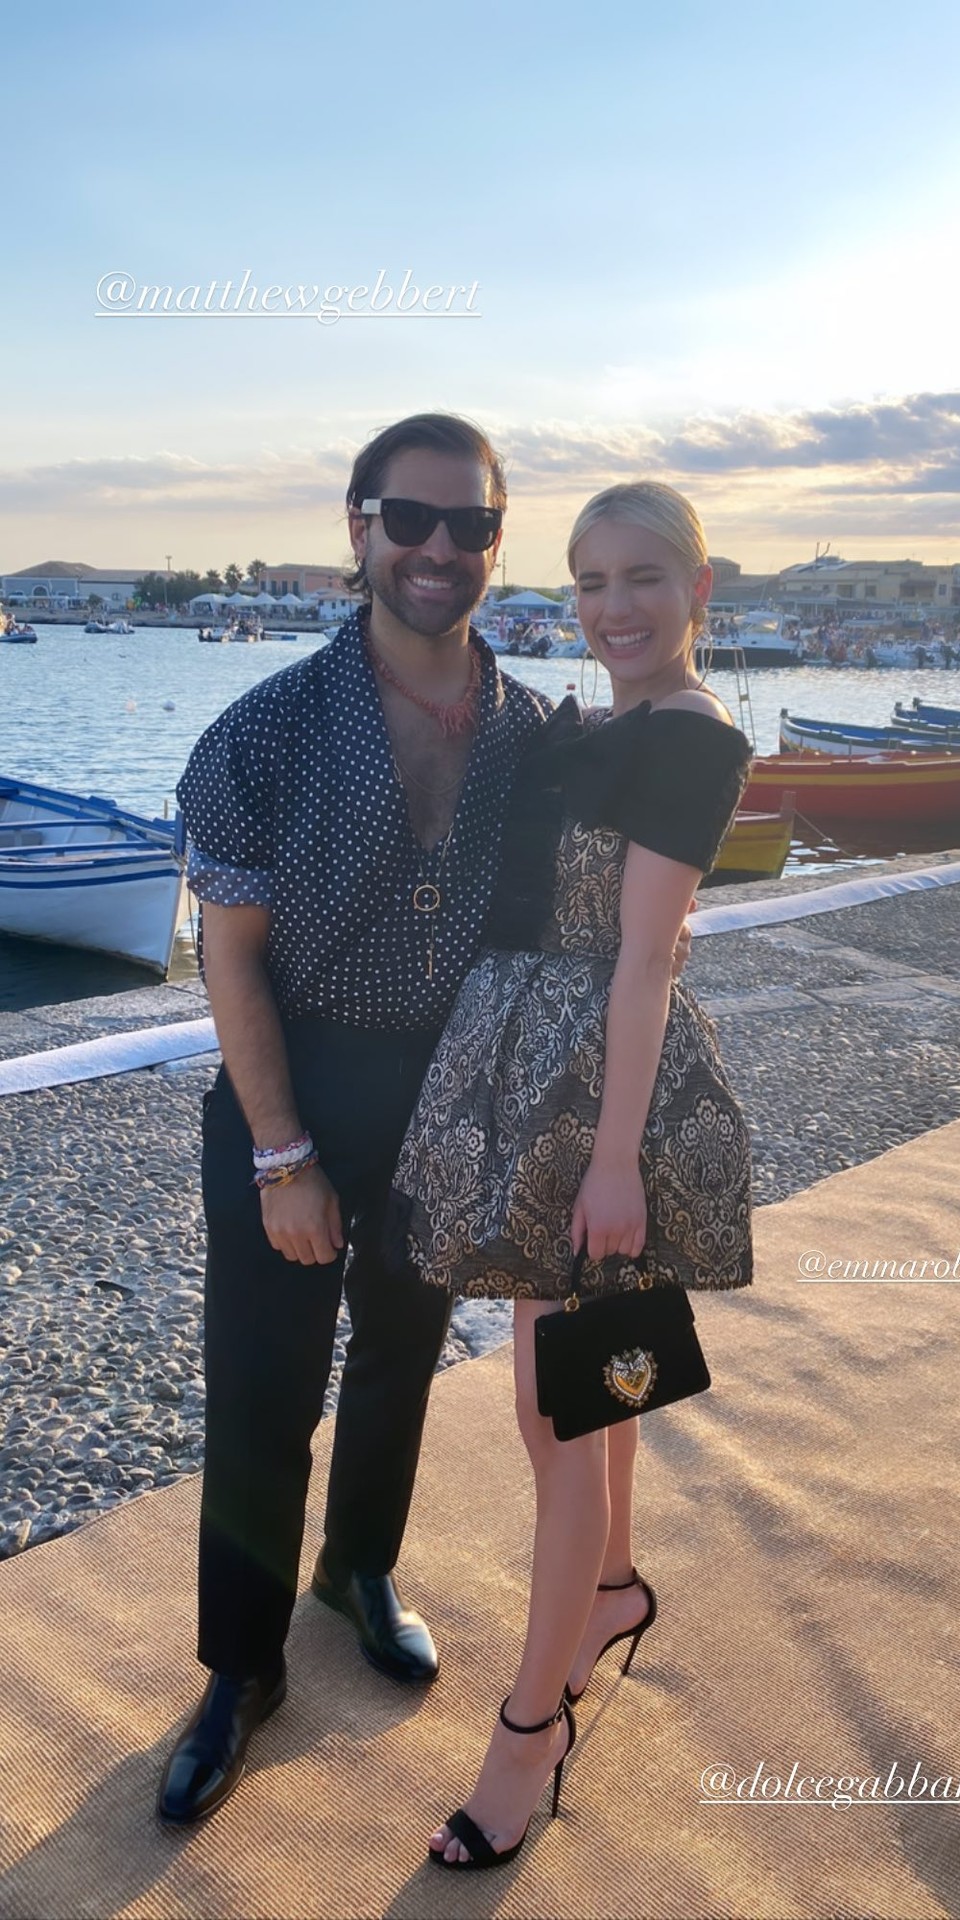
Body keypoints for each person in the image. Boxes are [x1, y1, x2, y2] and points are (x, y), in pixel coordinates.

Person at [159, 415, 694, 1827]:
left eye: (471, 525)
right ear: (360, 529)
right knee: (263, 1385)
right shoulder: (265, 729)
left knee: (402, 1351)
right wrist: (282, 1154)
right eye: (411, 519)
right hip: (292, 1084)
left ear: (496, 543)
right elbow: (227, 956)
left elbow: (631, 883)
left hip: (458, 1094)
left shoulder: (535, 734)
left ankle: (359, 1568)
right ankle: (241, 1666)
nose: (440, 549)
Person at [387, 481, 754, 1871]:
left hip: (592, 1099)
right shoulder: (600, 722)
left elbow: (647, 959)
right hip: (533, 1074)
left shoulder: (690, 737)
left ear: (700, 590)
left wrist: (612, 1165)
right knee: (599, 1395)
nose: (615, 607)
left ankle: (526, 1736)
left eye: (645, 578)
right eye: (592, 581)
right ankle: (609, 1589)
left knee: (560, 1421)